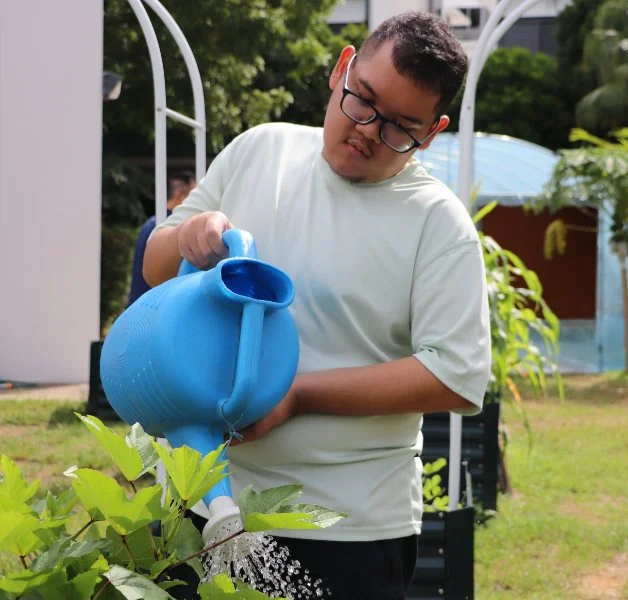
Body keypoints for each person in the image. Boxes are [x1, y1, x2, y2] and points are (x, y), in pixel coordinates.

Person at [143, 11, 490, 600]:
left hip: (347, 530)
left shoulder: (438, 223)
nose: (367, 132)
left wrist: (298, 395)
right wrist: (190, 233)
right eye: (363, 102)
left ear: (432, 132)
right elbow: (156, 267)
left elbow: (454, 375)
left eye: (400, 127)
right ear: (342, 69)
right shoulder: (260, 151)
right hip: (197, 500)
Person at [127, 170, 196, 306]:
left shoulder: (153, 223)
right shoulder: (169, 228)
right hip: (155, 308)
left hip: (141, 305)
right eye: (195, 196)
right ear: (181, 197)